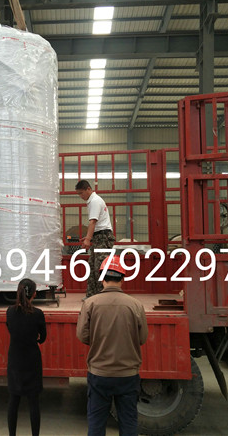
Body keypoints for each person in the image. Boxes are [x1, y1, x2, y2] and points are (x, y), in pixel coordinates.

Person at [76, 256, 148, 436]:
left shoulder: (90, 304)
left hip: (99, 374)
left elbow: (82, 335)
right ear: (122, 278)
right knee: (128, 422)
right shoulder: (136, 305)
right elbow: (142, 338)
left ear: (102, 278)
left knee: (96, 423)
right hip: (128, 375)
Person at [6, 278, 47, 436]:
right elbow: (43, 337)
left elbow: (10, 328)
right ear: (34, 294)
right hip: (32, 360)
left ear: (18, 292)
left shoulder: (10, 312)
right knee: (33, 402)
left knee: (13, 400)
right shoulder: (38, 314)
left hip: (15, 360)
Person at [75, 180, 115, 297]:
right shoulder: (93, 201)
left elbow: (93, 222)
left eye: (81, 193)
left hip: (103, 238)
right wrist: (90, 237)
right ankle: (92, 295)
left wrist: (88, 239)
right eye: (78, 194)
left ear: (88, 189)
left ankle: (103, 296)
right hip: (99, 237)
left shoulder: (95, 201)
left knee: (101, 267)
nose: (81, 196)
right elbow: (96, 225)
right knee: (92, 266)